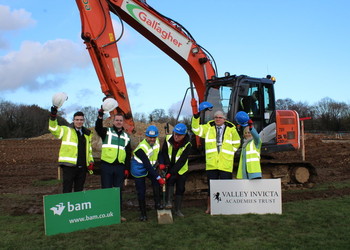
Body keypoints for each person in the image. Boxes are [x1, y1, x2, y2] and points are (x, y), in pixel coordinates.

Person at [191, 102, 241, 214]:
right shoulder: (208, 128)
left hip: (225, 163)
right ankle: (210, 208)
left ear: (224, 119)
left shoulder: (231, 129)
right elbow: (195, 129)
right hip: (212, 163)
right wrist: (196, 117)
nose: (218, 119)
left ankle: (226, 208)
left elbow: (237, 143)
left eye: (220, 117)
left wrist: (230, 153)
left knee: (226, 187)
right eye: (216, 117)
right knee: (211, 188)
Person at [95, 109, 131, 222]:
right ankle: (106, 214)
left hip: (119, 167)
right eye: (117, 120)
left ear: (123, 122)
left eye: (121, 120)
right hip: (107, 166)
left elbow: (128, 154)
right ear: (113, 121)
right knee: (106, 190)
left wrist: (126, 168)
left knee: (118, 191)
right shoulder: (107, 131)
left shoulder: (126, 136)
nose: (119, 122)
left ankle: (117, 214)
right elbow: (97, 128)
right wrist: (100, 116)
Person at [49, 107, 94, 193]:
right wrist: (53, 117)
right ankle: (67, 205)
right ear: (73, 120)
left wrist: (90, 161)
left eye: (81, 120)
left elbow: (89, 150)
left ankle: (77, 205)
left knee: (79, 190)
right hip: (69, 166)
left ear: (83, 121)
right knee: (67, 189)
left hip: (82, 166)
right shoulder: (66, 130)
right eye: (77, 119)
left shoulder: (87, 134)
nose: (79, 121)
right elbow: (53, 128)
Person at [130, 125, 166, 221]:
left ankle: (157, 204)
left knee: (156, 183)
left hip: (150, 166)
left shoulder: (157, 142)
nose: (152, 139)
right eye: (150, 137)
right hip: (138, 168)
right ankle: (143, 214)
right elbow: (147, 165)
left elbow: (159, 153)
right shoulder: (141, 148)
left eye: (154, 137)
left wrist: (161, 163)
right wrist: (159, 177)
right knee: (141, 191)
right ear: (146, 137)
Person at [159, 123, 191, 217]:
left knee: (180, 188)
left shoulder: (188, 144)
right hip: (169, 166)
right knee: (170, 183)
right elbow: (164, 152)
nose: (176, 136)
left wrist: (172, 172)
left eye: (179, 135)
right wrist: (165, 164)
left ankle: (177, 210)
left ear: (184, 135)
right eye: (175, 134)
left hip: (181, 169)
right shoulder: (168, 138)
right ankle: (168, 203)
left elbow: (182, 161)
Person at [235, 112, 262, 179]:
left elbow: (257, 137)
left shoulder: (256, 142)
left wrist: (251, 127)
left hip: (254, 172)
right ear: (243, 135)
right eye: (246, 133)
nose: (247, 134)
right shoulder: (244, 145)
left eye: (249, 132)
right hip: (245, 173)